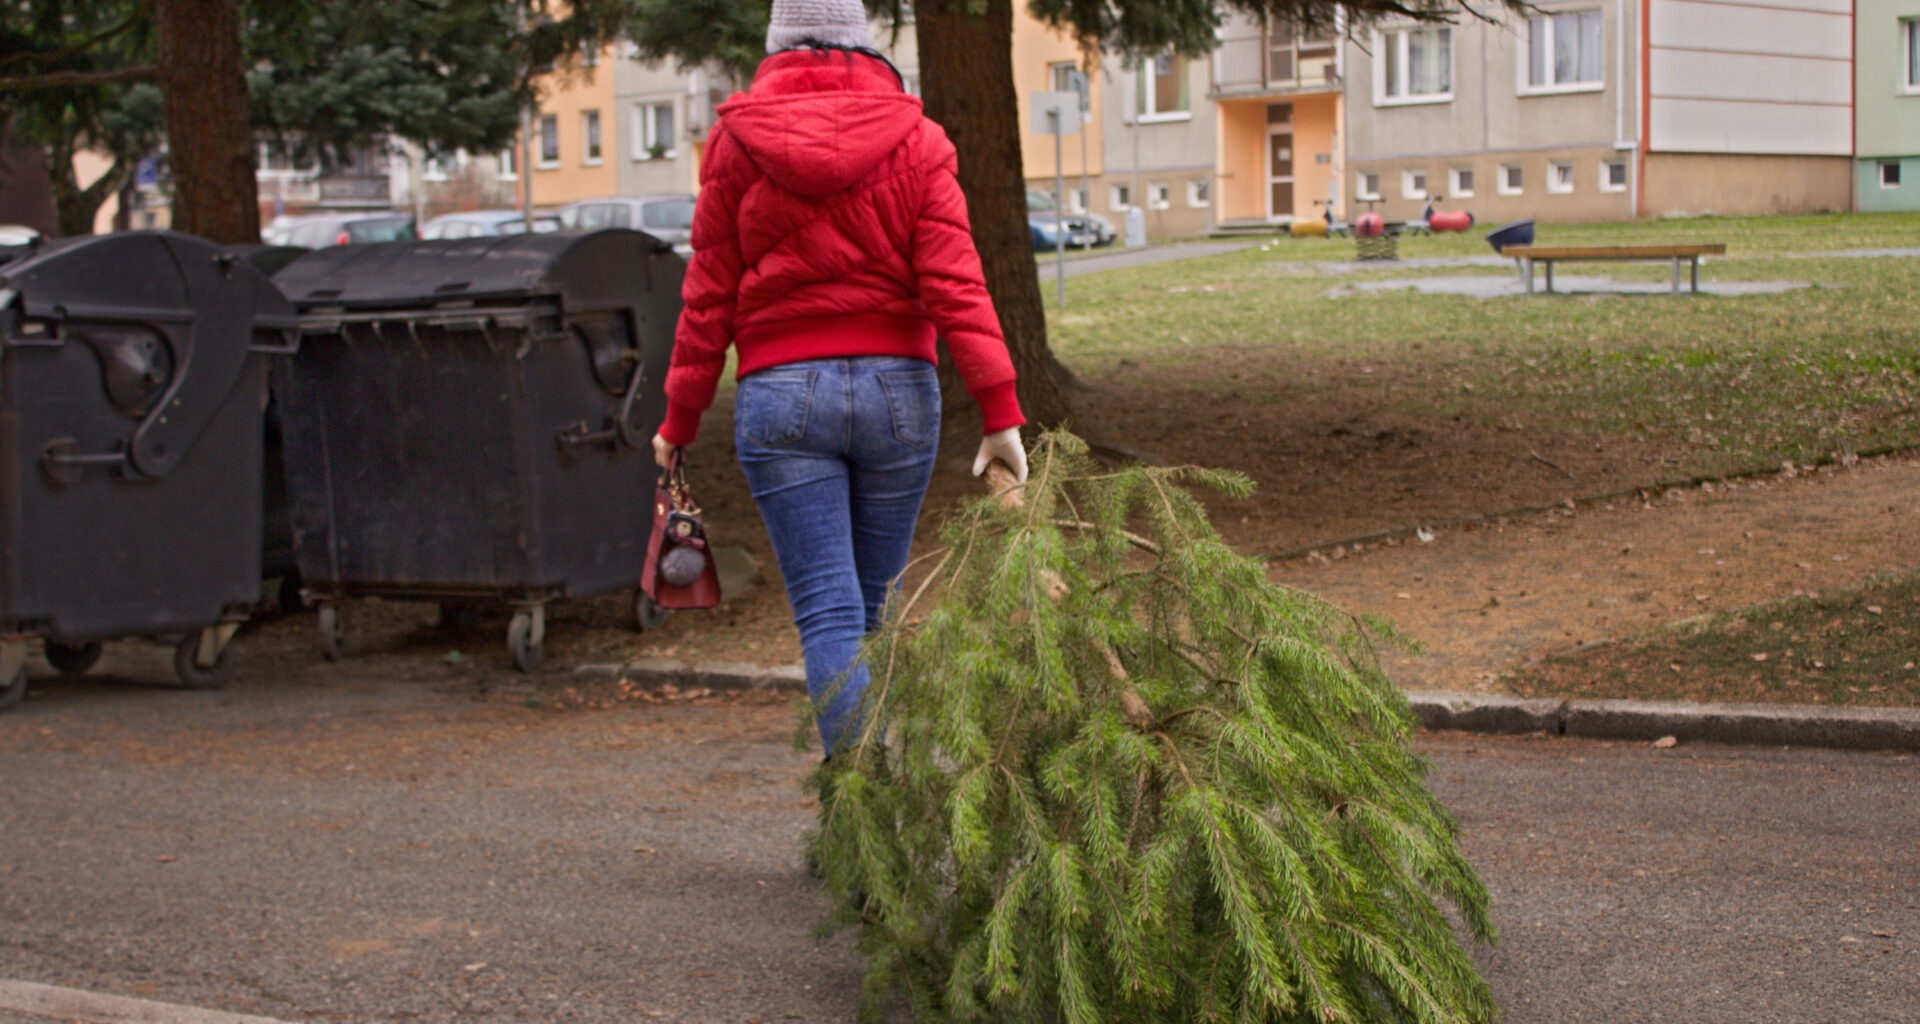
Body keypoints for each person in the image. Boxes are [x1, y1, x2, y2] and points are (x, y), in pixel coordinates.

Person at [651, 0, 1029, 755]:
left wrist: (679, 421)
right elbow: (957, 283)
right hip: (898, 395)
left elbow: (708, 294)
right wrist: (1000, 412)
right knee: (875, 611)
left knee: (828, 613)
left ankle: (859, 799)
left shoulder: (734, 141)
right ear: (864, 43)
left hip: (781, 393)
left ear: (778, 44)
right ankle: (875, 808)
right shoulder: (920, 138)